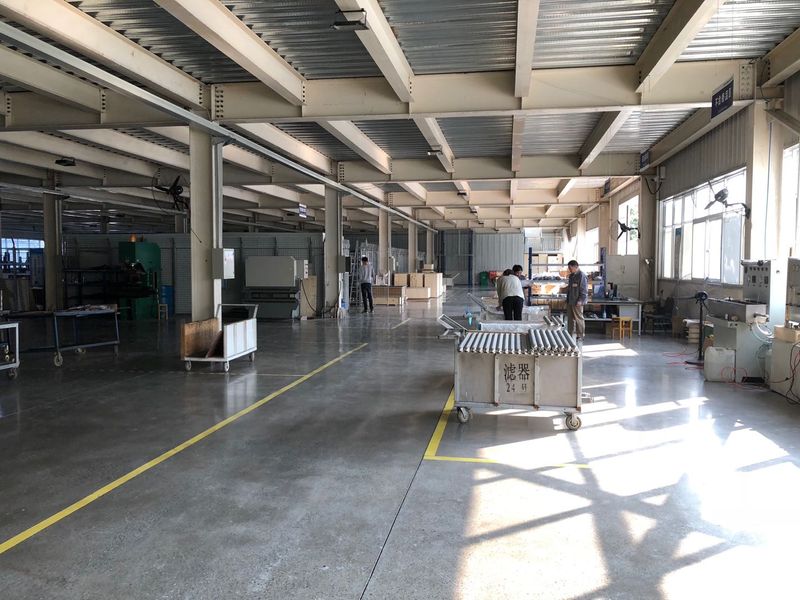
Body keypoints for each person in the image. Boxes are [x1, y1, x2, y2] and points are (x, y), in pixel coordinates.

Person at [566, 259, 588, 340]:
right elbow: (570, 288)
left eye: (570, 268)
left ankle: (580, 335)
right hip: (570, 301)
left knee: (579, 319)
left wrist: (581, 300)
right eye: (569, 268)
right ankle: (569, 334)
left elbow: (584, 290)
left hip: (577, 301)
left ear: (575, 267)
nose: (569, 270)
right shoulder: (571, 276)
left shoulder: (581, 276)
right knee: (570, 319)